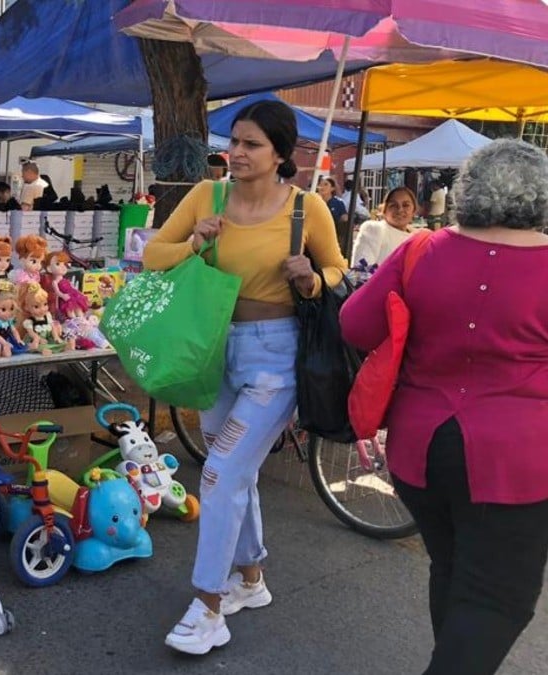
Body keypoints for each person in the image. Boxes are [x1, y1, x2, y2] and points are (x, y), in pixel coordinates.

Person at [141, 100, 346, 656]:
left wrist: (310, 278)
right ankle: (250, 580)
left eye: (251, 144)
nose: (236, 153)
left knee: (220, 471)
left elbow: (338, 270)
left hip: (276, 357)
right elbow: (151, 253)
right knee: (233, 472)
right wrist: (193, 242)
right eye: (233, 141)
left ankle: (208, 606)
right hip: (211, 346)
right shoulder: (207, 196)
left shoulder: (308, 208)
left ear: (281, 153)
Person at [340, 139, 548, 675]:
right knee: (498, 600)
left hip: (421, 450)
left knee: (452, 570)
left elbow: (356, 325)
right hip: (517, 463)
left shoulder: (419, 250)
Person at [350, 186, 417, 267]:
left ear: (414, 211)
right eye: (393, 205)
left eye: (406, 205)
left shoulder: (418, 236)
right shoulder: (375, 229)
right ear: (384, 210)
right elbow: (362, 271)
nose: (400, 210)